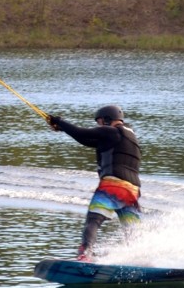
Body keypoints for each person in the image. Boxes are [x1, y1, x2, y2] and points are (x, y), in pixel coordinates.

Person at [48, 105, 141, 262]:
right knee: (131, 229)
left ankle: (85, 255)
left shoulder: (110, 131)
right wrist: (63, 129)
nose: (99, 125)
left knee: (93, 221)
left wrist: (60, 122)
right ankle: (138, 258)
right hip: (132, 190)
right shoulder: (129, 136)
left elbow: (81, 132)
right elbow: (86, 140)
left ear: (107, 119)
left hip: (114, 185)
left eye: (99, 122)